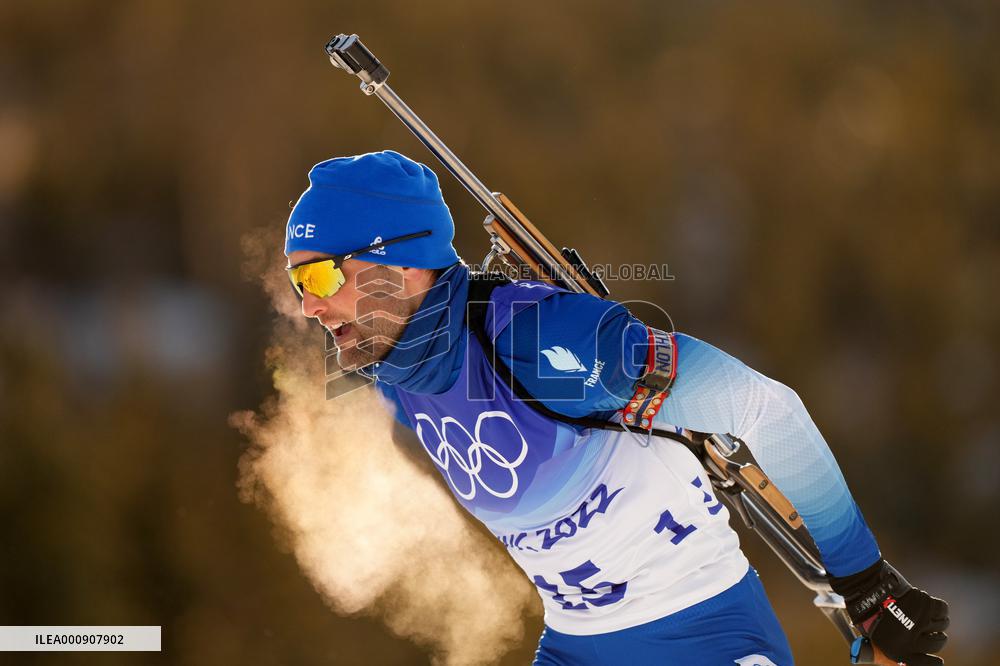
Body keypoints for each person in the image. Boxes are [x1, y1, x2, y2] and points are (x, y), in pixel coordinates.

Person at [283, 150, 950, 665]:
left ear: (397, 264)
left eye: (319, 277)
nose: (308, 305)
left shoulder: (543, 341)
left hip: (704, 638)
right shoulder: (394, 373)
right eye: (297, 282)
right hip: (576, 646)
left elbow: (764, 409)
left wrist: (866, 584)